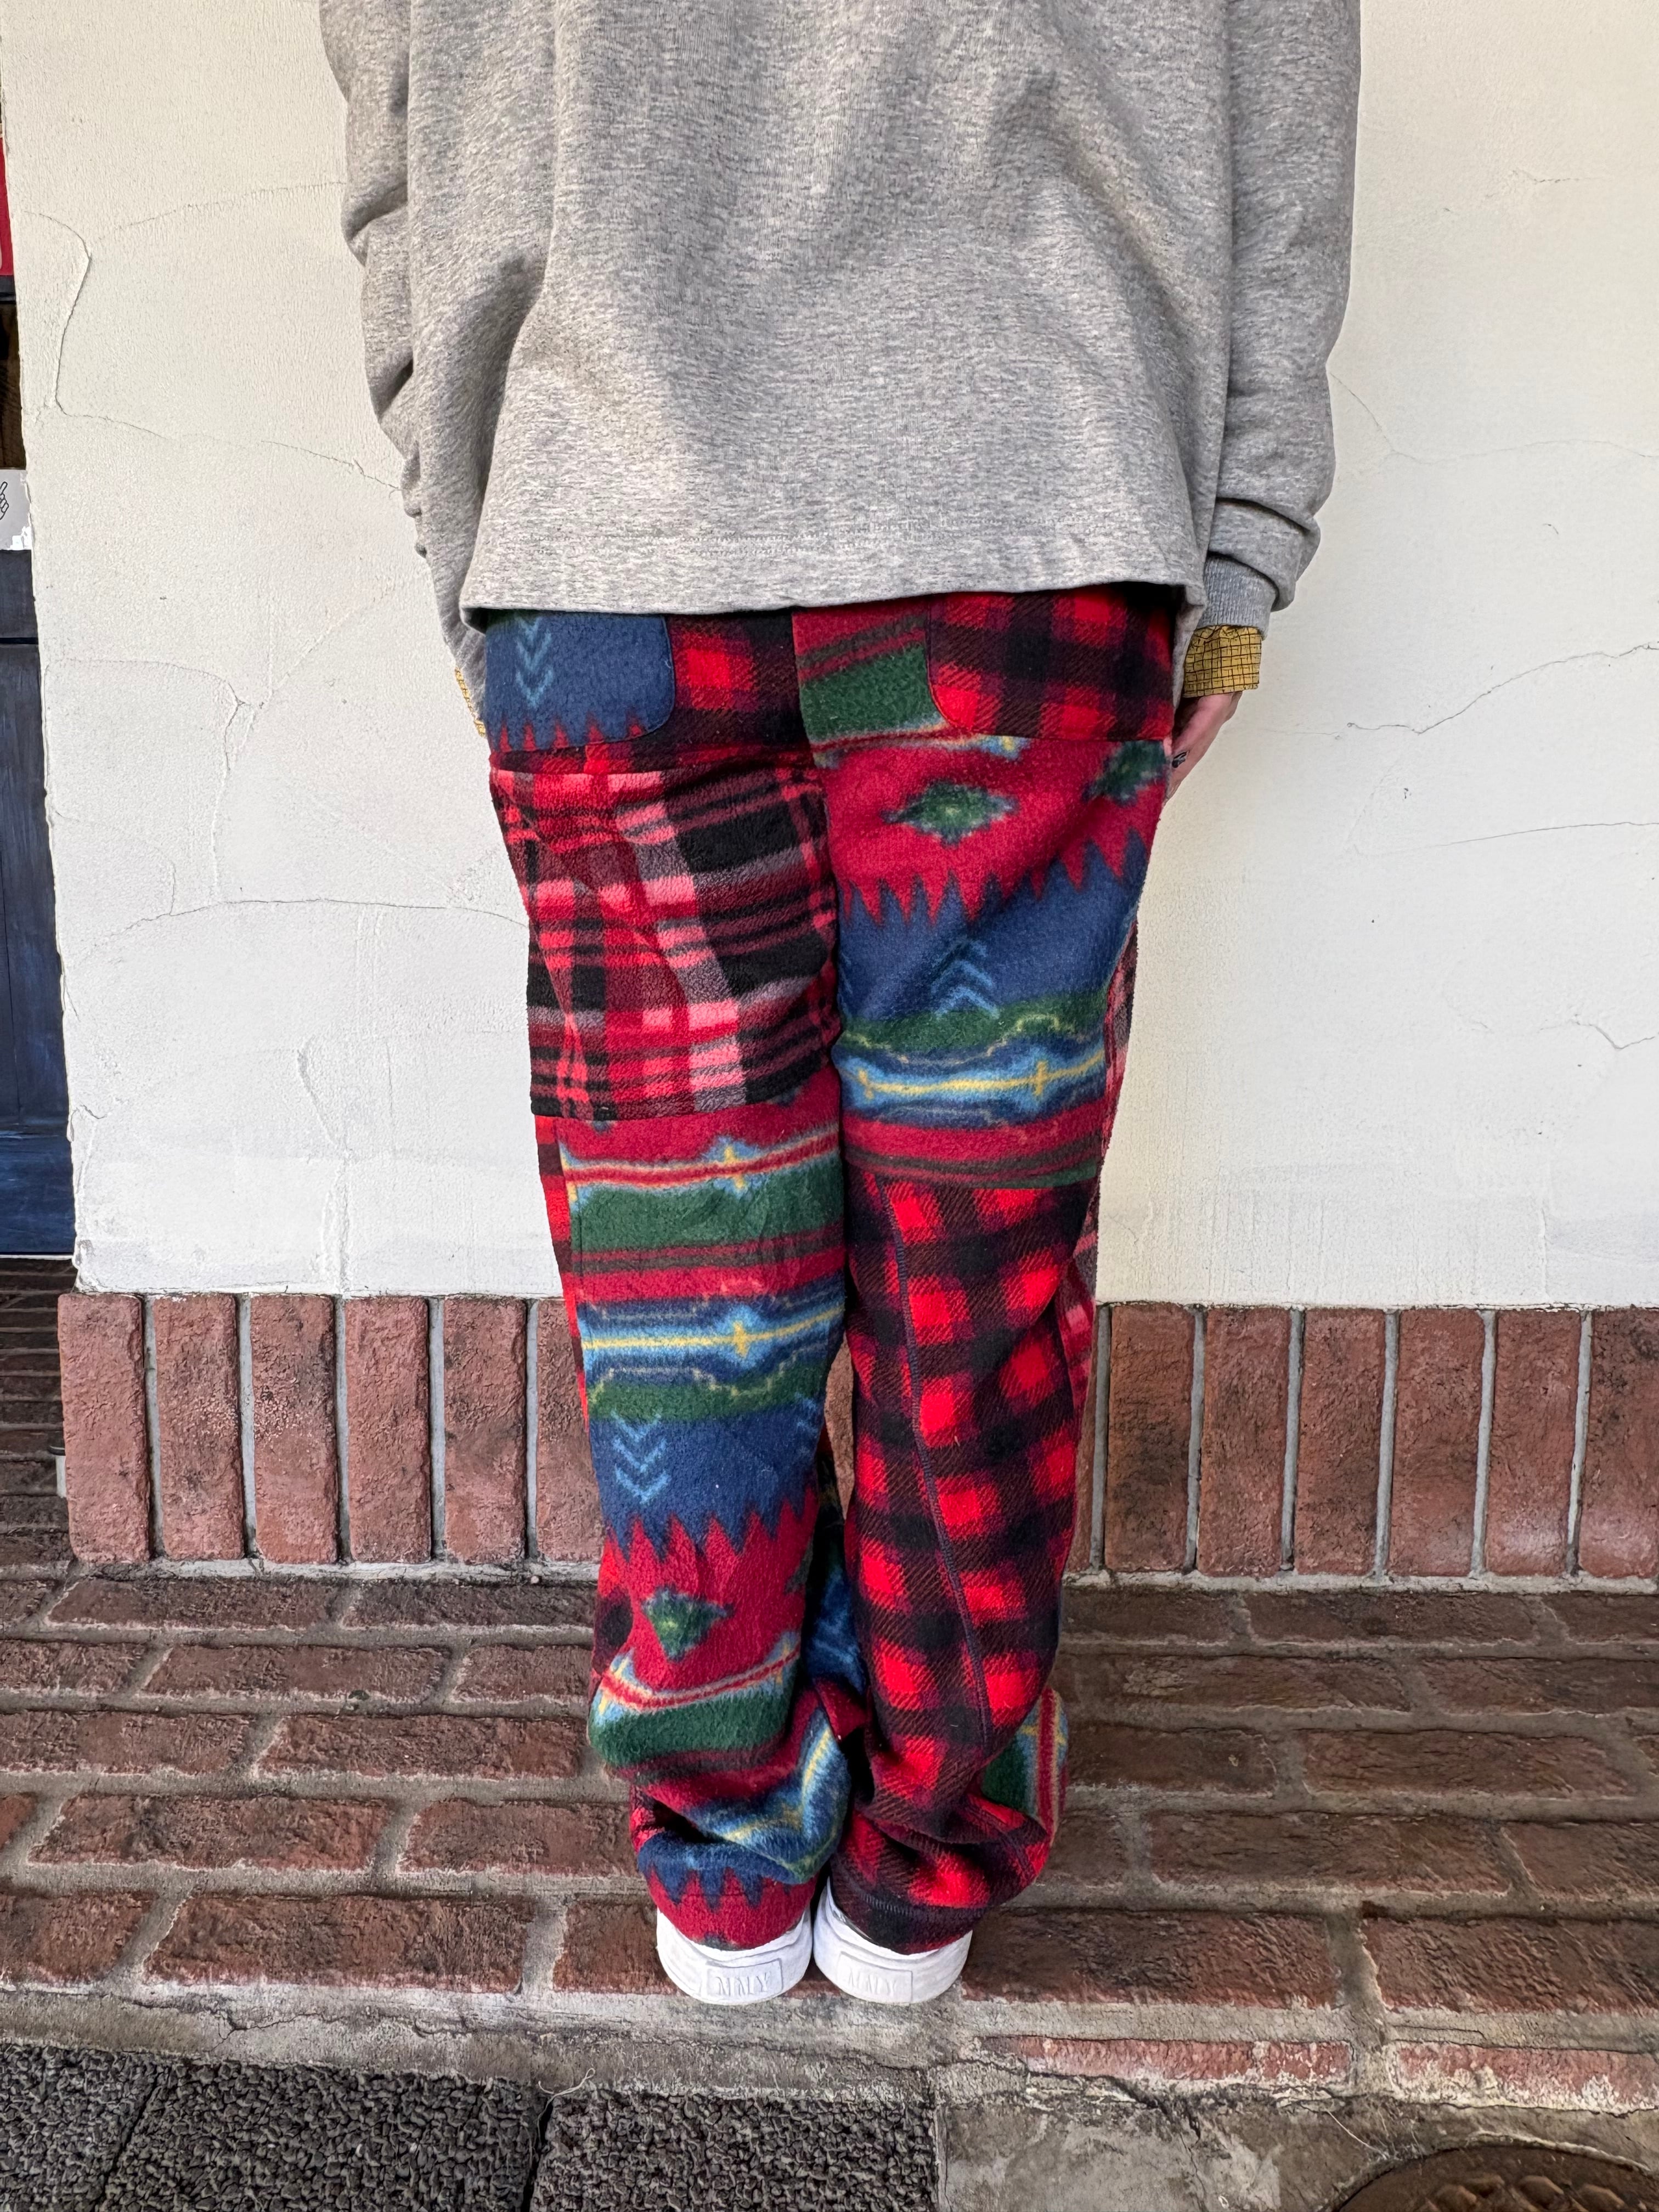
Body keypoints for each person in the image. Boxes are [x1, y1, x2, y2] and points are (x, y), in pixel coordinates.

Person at [320, 0, 1360, 2006]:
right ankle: (928, 1860)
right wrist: (1239, 552)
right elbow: (1284, 95)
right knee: (979, 1261)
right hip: (1035, 515)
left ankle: (726, 1856)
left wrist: (469, 521)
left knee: (685, 1262)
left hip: (606, 534)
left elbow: (397, 122)